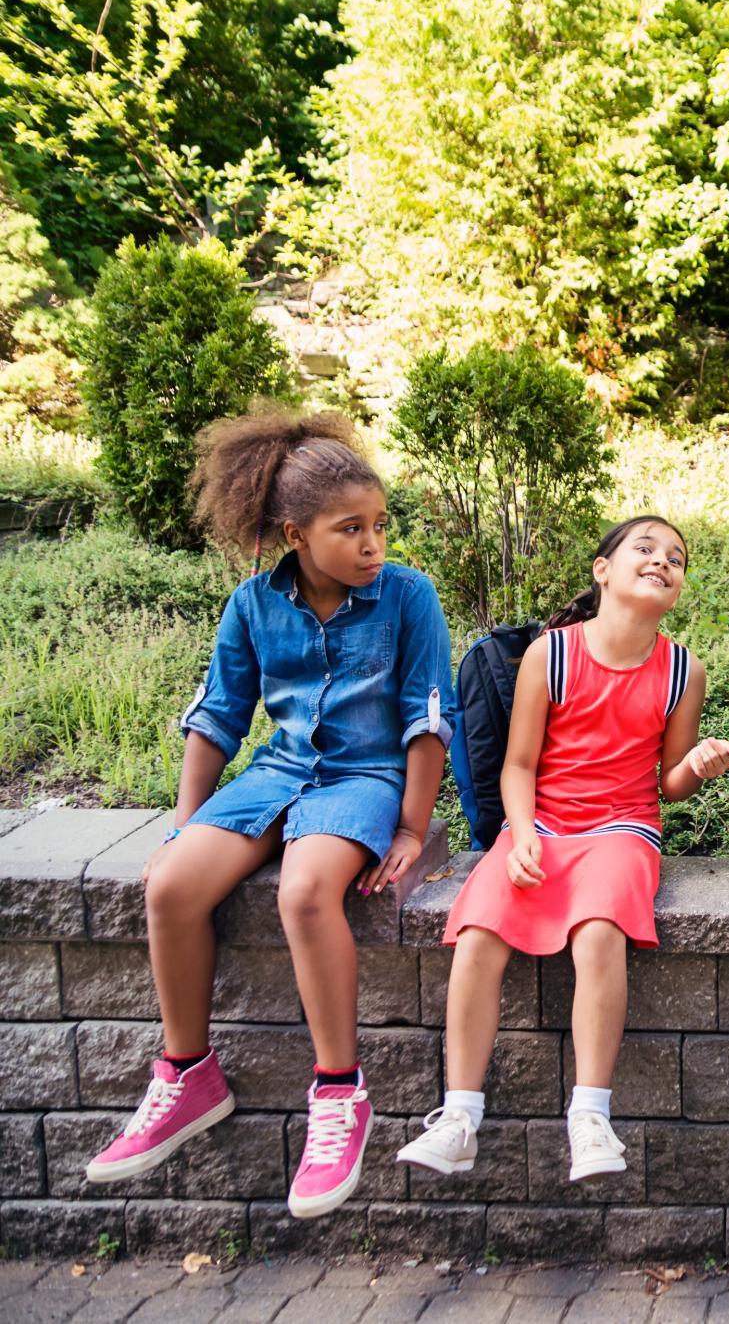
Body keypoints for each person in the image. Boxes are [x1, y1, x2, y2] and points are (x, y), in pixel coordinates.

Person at [87, 409, 454, 1220]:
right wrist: (185, 825)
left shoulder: (408, 596)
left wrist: (410, 828)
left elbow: (429, 716)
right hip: (278, 773)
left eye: (379, 526)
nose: (372, 545)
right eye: (349, 529)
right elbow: (218, 717)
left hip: (364, 777)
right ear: (295, 533)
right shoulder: (254, 604)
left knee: (302, 894)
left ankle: (338, 1093)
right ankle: (187, 1074)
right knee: (174, 887)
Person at [398, 516, 729, 1182]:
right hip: (543, 823)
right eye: (645, 548)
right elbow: (517, 765)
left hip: (623, 828)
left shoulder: (682, 671)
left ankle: (590, 1115)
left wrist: (696, 767)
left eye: (677, 558)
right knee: (478, 933)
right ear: (602, 570)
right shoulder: (549, 656)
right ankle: (460, 1116)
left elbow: (666, 786)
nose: (663, 561)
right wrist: (519, 836)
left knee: (600, 930)